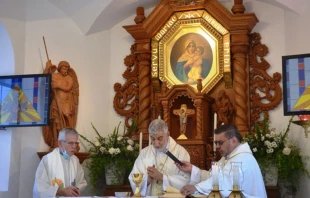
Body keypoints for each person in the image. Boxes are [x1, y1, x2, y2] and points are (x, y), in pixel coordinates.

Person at [176, 124, 267, 198]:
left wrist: (197, 187)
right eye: (216, 143)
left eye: (220, 142)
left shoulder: (242, 159)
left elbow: (224, 182)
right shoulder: (228, 157)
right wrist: (192, 169)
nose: (217, 146)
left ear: (234, 140)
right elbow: (213, 177)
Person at [128, 118, 191, 196]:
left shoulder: (180, 152)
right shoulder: (144, 153)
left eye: (160, 138)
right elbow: (134, 178)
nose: (156, 143)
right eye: (152, 139)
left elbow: (186, 181)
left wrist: (161, 177)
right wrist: (147, 180)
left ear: (168, 134)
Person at [33, 128, 87, 198]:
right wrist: (61, 191)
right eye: (70, 143)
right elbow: (39, 188)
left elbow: (81, 181)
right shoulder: (47, 160)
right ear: (60, 143)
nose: (74, 146)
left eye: (75, 143)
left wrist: (76, 189)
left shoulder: (75, 160)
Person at [43, 60, 79, 149]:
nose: (65, 70)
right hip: (56, 100)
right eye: (64, 68)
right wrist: (48, 69)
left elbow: (68, 87)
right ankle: (56, 140)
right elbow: (45, 82)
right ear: (59, 68)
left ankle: (70, 138)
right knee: (56, 121)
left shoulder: (69, 78)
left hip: (66, 101)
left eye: (67, 68)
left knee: (67, 116)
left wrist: (58, 85)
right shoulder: (54, 76)